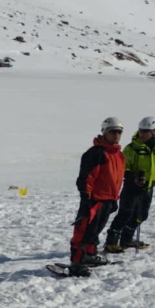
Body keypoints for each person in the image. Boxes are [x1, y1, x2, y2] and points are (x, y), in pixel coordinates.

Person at [68, 117, 126, 277]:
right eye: (113, 132)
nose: (116, 135)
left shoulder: (119, 155)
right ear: (105, 132)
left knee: (95, 231)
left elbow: (117, 177)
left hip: (108, 200)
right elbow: (86, 178)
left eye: (119, 132)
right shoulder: (96, 153)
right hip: (94, 200)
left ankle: (90, 255)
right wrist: (86, 198)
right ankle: (77, 263)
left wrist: (115, 198)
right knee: (84, 231)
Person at [104, 116, 155, 253]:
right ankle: (111, 242)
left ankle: (126, 239)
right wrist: (134, 177)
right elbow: (123, 167)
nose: (142, 134)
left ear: (154, 131)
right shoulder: (132, 148)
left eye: (145, 131)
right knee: (125, 213)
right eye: (140, 130)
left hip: (149, 187)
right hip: (132, 186)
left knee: (142, 215)